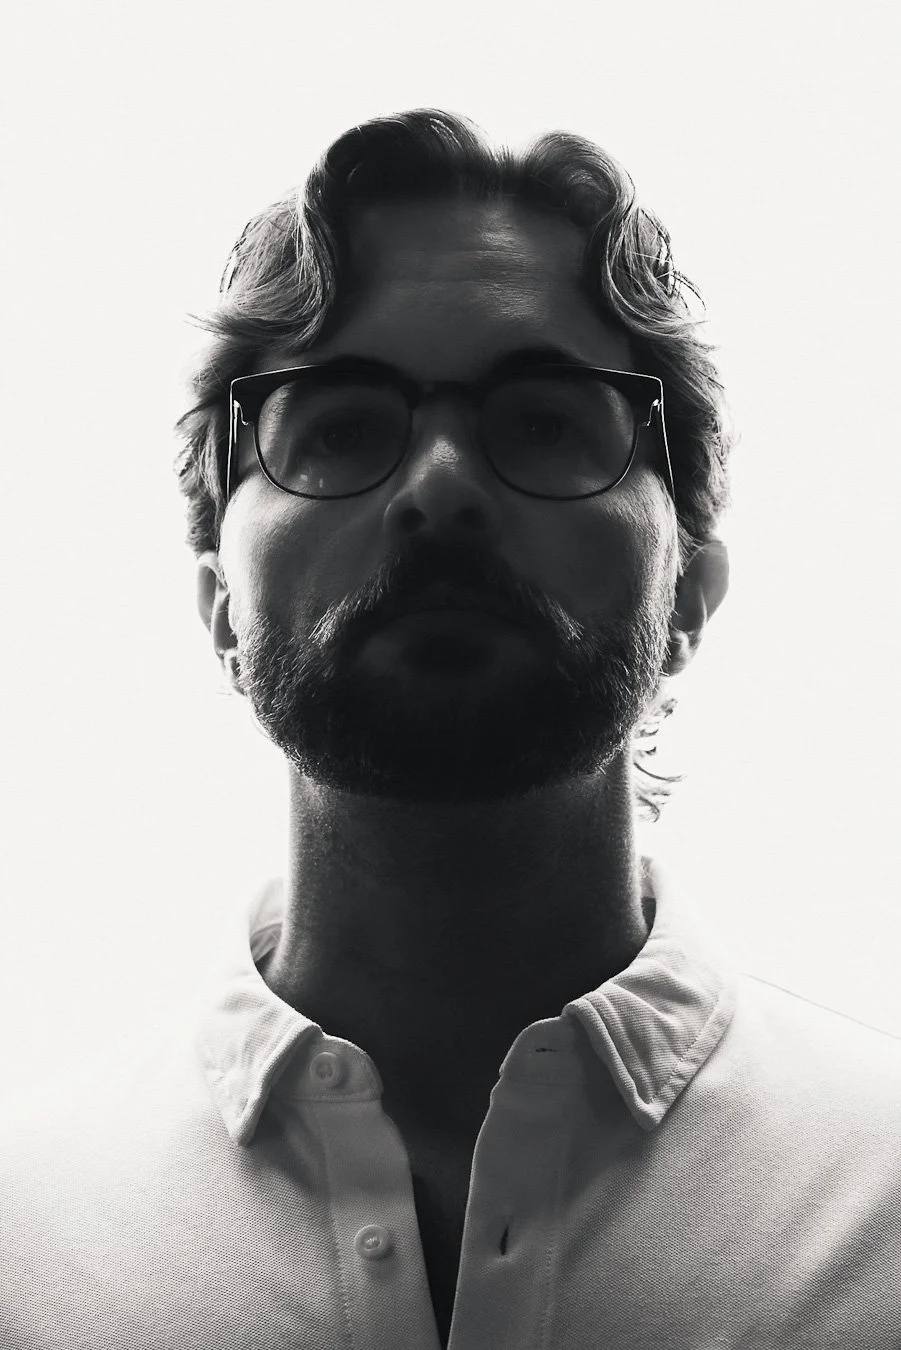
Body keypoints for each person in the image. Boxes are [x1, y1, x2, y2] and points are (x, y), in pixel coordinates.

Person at [2, 108, 899, 1350]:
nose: (438, 490)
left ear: (687, 595)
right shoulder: (28, 1244)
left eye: (540, 420)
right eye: (343, 426)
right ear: (219, 602)